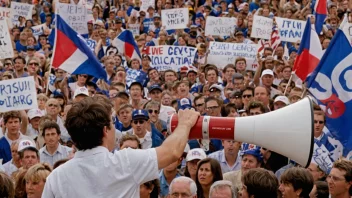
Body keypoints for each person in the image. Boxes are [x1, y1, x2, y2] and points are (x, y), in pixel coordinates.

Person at [42, 95, 200, 197]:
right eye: (111, 124)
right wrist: (185, 124)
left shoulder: (56, 177)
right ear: (105, 131)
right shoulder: (126, 162)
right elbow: (172, 152)